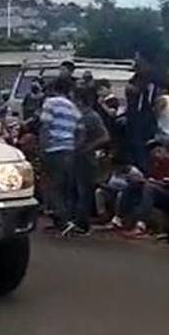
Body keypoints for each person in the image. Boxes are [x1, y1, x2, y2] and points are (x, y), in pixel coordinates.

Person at [39, 77, 82, 231]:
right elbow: (80, 128)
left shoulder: (50, 103)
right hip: (68, 149)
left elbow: (45, 126)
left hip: (53, 149)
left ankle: (63, 221)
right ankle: (63, 220)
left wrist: (43, 147)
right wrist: (75, 145)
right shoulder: (72, 107)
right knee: (64, 187)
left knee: (52, 187)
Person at [72, 88, 111, 235]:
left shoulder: (92, 116)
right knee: (74, 190)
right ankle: (75, 221)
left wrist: (89, 147)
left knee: (84, 191)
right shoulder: (76, 116)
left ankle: (83, 225)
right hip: (74, 157)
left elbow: (105, 137)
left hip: (86, 159)